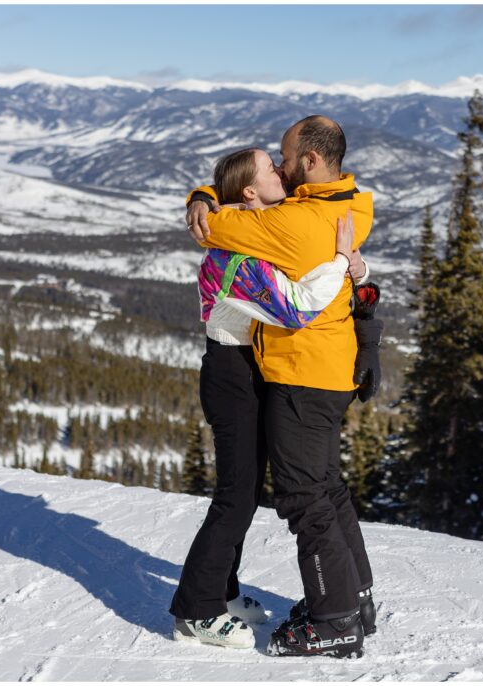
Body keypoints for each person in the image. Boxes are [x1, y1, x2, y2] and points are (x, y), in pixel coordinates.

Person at [185, 116, 381, 659]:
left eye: (284, 158)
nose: (282, 164)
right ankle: (353, 597)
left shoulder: (291, 224)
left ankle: (335, 617)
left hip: (300, 373)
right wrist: (350, 265)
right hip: (318, 369)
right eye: (273, 164)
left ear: (311, 163)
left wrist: (204, 198)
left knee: (304, 496)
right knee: (321, 486)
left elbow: (211, 227)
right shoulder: (351, 204)